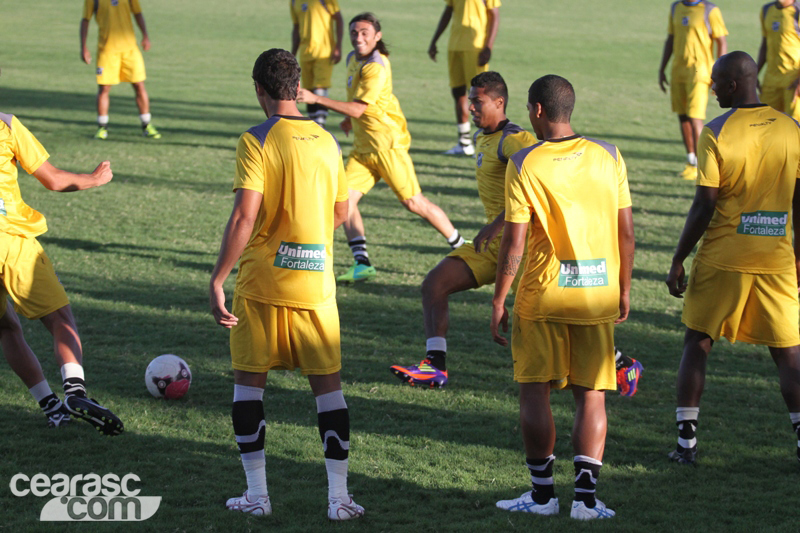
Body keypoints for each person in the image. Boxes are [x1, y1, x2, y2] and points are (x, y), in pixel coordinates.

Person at [209, 49, 364, 520]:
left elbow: (244, 214)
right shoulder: (326, 141)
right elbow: (342, 211)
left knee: (249, 387)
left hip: (261, 284)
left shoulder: (256, 139)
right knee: (329, 391)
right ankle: (339, 499)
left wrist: (218, 278)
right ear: (297, 88)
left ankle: (257, 496)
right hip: (316, 288)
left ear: (259, 88)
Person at [490, 75, 634, 520]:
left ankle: (542, 497)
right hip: (596, 295)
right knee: (592, 395)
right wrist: (624, 288)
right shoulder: (609, 155)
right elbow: (626, 233)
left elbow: (515, 242)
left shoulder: (525, 162)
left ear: (536, 110)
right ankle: (586, 502)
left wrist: (499, 299)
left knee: (535, 392)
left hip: (543, 296)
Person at [665, 51, 800, 466]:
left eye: (717, 81)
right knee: (789, 352)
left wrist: (678, 258)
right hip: (775, 259)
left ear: (736, 84)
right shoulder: (793, 129)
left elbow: (704, 205)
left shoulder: (717, 132)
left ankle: (686, 445)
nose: (712, 87)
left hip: (723, 258)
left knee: (698, 341)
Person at [389, 71, 534, 388]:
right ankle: (435, 366)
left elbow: (539, 183)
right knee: (434, 285)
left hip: (523, 247)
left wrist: (498, 223)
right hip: (492, 245)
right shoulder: (484, 136)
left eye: (477, 101)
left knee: (549, 326)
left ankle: (620, 362)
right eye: (470, 101)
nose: (470, 108)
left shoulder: (515, 139)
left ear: (499, 102)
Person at [298, 12, 466, 283]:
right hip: (363, 149)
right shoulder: (354, 59)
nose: (358, 37)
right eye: (354, 32)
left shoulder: (376, 65)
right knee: (343, 202)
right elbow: (359, 103)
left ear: (377, 36)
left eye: (365, 32)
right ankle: (359, 262)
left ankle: (462, 247)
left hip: (387, 146)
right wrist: (349, 120)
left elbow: (359, 106)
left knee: (414, 203)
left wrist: (316, 97)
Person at [0, 110, 123, 435]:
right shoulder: (6, 124)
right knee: (60, 320)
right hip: (11, 241)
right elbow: (53, 180)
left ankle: (50, 407)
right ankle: (74, 392)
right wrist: (95, 179)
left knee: (6, 328)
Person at [658, 0, 727, 180]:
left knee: (695, 117)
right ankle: (691, 162)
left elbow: (721, 41)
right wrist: (662, 68)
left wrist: (719, 71)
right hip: (679, 70)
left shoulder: (710, 10)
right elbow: (671, 38)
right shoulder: (675, 7)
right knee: (683, 116)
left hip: (700, 72)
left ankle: (703, 165)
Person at [80, 0, 161, 140]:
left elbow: (137, 13)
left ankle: (146, 125)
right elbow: (85, 20)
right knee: (104, 88)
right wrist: (84, 47)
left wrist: (145, 35)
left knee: (139, 85)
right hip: (107, 50)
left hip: (130, 50)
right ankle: (102, 127)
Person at [428, 0, 501, 156]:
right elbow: (448, 11)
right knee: (458, 92)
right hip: (454, 46)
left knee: (481, 96)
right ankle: (464, 143)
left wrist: (488, 47)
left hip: (475, 47)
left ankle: (486, 144)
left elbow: (494, 15)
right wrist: (434, 40)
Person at [290, 0, 344, 127]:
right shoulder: (293, 2)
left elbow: (339, 19)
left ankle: (320, 126)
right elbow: (296, 27)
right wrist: (292, 54)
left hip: (324, 52)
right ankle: (313, 125)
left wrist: (338, 46)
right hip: (305, 52)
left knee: (319, 88)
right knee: (307, 92)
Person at [756, 0, 800, 121]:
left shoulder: (797, 11)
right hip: (771, 80)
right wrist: (755, 72)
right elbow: (765, 45)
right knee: (765, 122)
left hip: (793, 80)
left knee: (795, 125)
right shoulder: (766, 10)